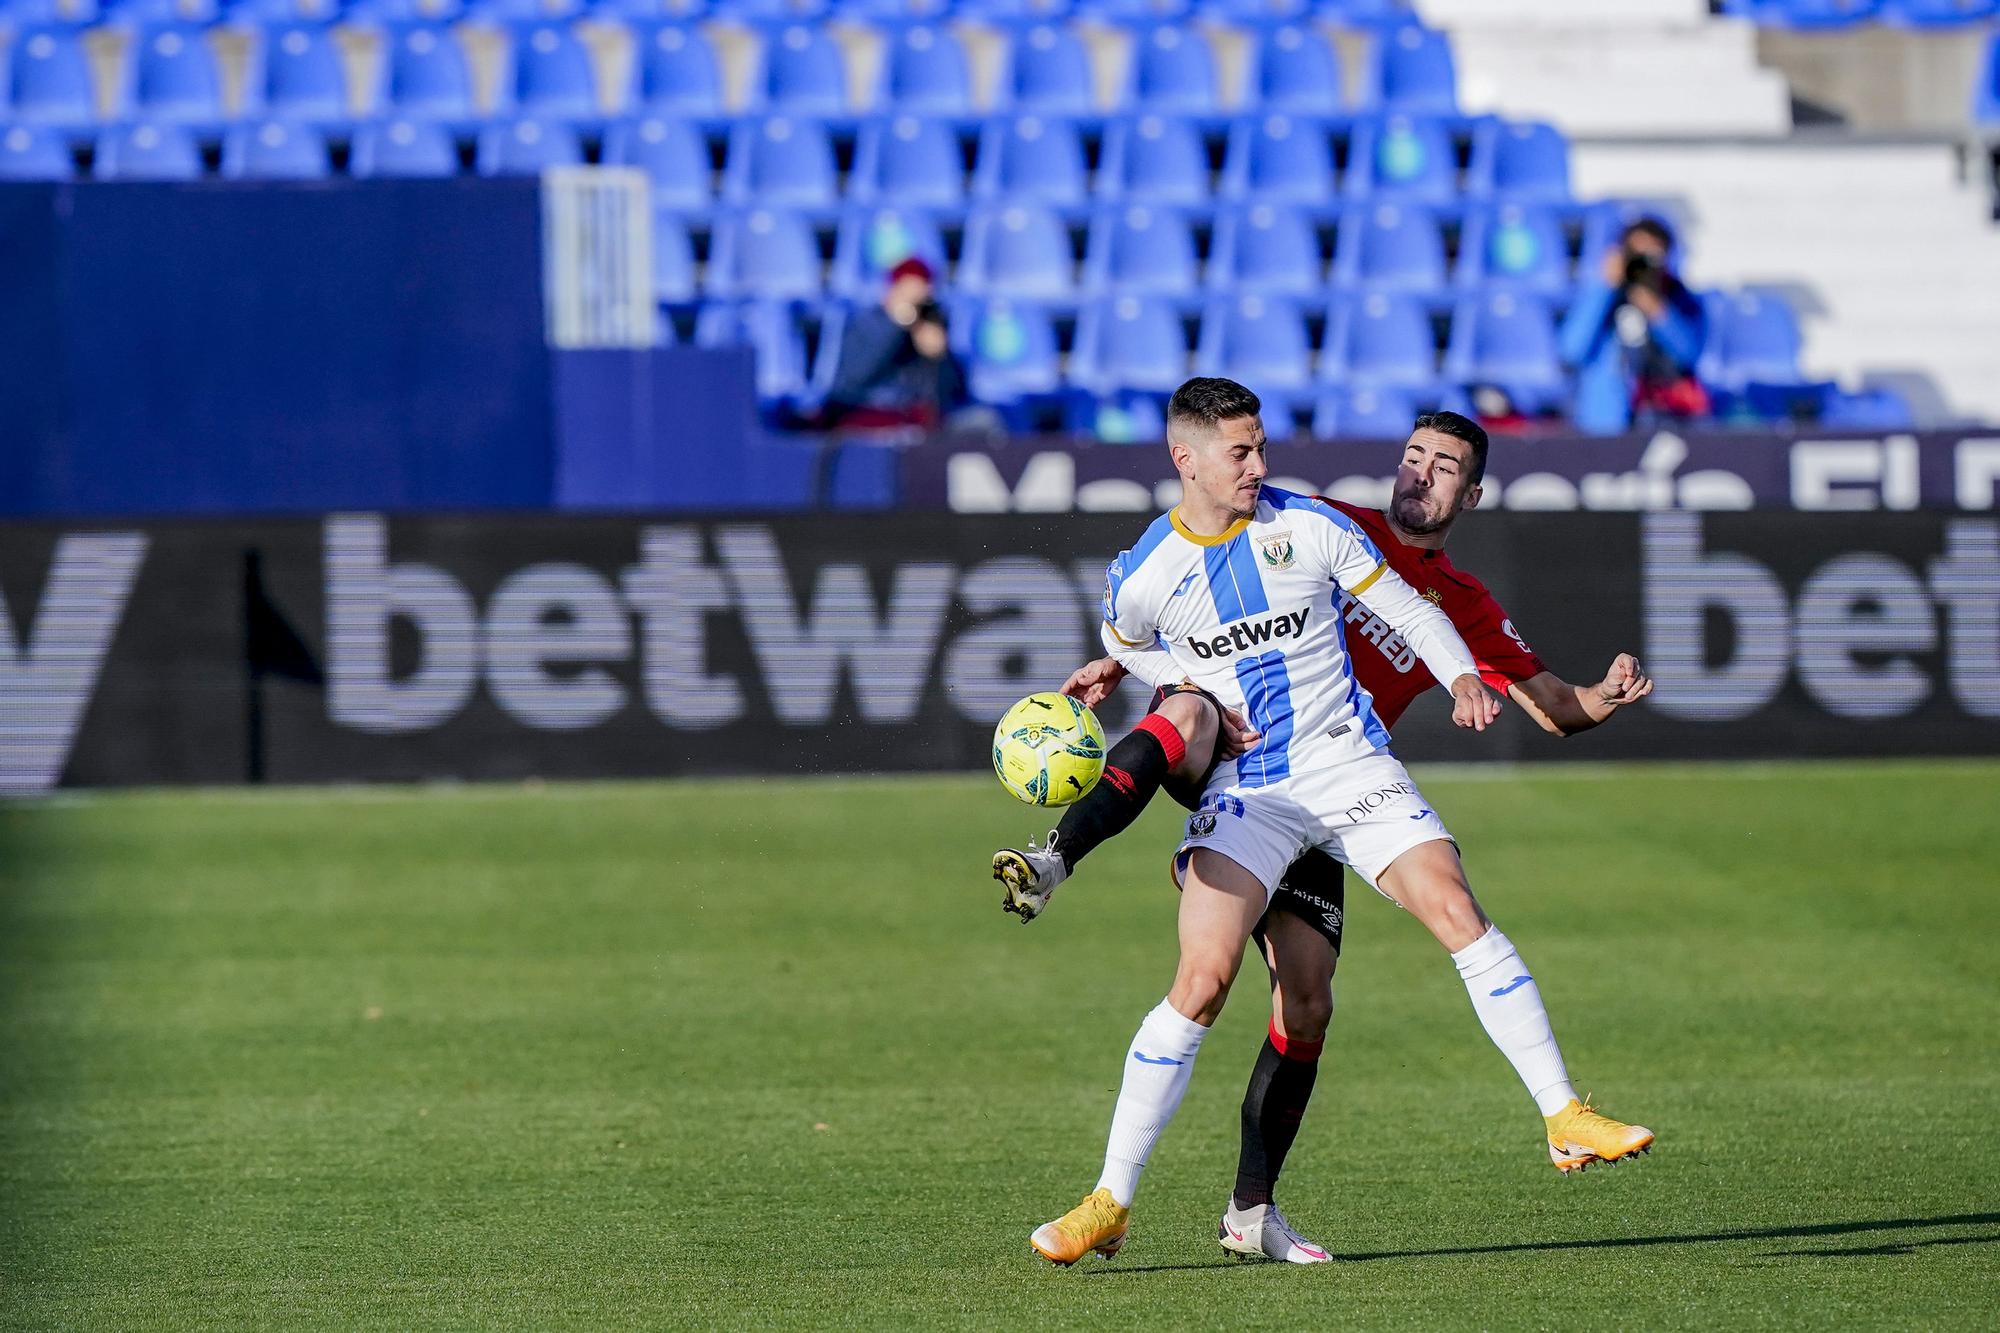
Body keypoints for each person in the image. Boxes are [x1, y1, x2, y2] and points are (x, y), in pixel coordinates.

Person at [999, 408, 1656, 1263]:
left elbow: (1549, 700)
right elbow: (1168, 598)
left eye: (1444, 466)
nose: (1421, 474)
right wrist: (1134, 663)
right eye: (1413, 456)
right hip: (1248, 775)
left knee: (1317, 993)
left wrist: (1574, 686)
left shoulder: (1418, 580)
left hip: (1346, 774)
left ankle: (1551, 1117)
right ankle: (1058, 864)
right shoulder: (1309, 517)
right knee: (1192, 747)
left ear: (1472, 491)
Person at [1558, 216, 1709, 436]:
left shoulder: (1680, 299)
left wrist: (1659, 313)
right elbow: (1570, 350)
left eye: (1650, 257)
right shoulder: (1602, 297)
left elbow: (1690, 356)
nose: (1641, 265)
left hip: (1665, 424)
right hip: (1606, 423)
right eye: (1635, 255)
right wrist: (1604, 287)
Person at [820, 257, 965, 431]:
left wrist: (938, 357)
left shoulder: (930, 325)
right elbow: (854, 379)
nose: (912, 303)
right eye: (906, 293)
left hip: (915, 420)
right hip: (867, 413)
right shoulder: (865, 324)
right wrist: (896, 323)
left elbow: (949, 394)